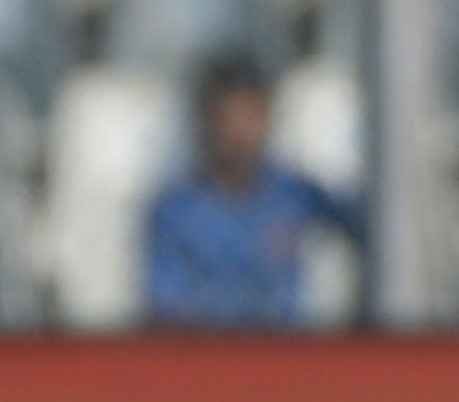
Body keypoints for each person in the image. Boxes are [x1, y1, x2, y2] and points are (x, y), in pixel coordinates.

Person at [144, 56, 361, 329]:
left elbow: (368, 229)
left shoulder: (294, 194)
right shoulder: (175, 213)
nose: (241, 134)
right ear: (205, 122)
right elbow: (168, 307)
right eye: (228, 120)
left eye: (251, 117)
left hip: (289, 359)